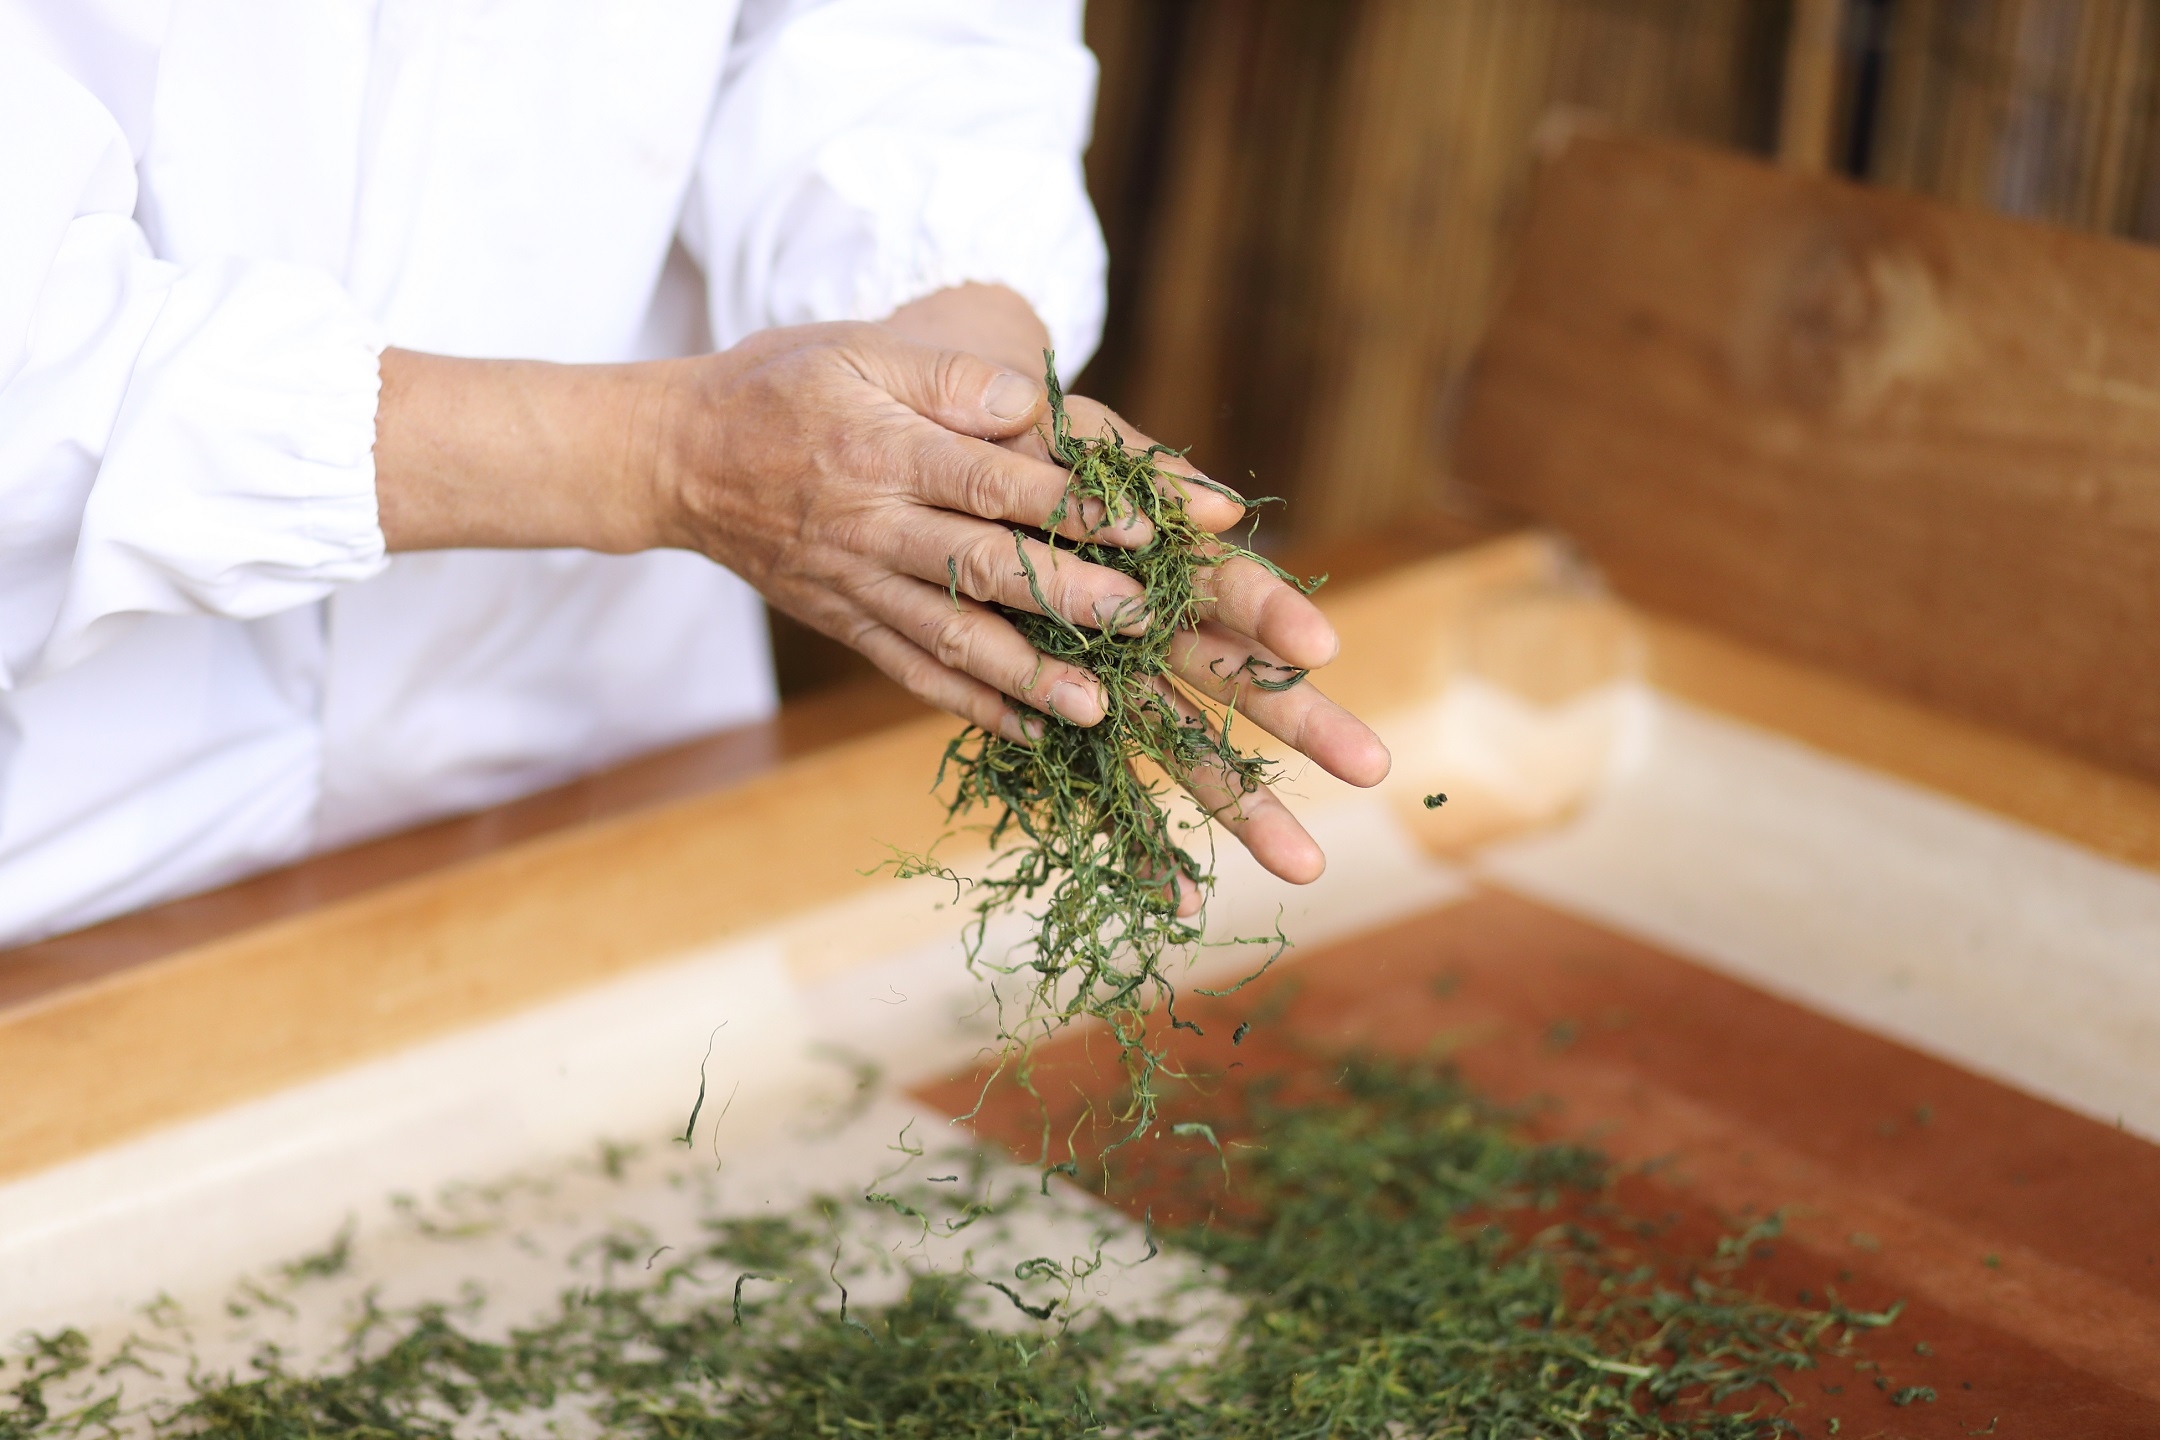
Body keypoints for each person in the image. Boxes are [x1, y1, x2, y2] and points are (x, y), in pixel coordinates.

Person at [0, 1, 1390, 948]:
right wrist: (667, 459)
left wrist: (954, 378)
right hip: (63, 860)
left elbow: (906, 37)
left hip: (602, 776)